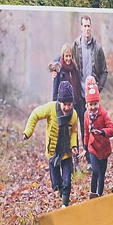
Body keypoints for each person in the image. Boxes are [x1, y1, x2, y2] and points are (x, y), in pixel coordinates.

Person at [23, 78, 81, 206]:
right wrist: (28, 132)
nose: (66, 107)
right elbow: (35, 115)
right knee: (56, 184)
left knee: (67, 181)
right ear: (59, 102)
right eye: (64, 104)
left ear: (72, 103)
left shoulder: (74, 115)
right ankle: (61, 192)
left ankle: (65, 205)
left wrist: (74, 146)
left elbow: (74, 132)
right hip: (53, 152)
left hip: (66, 153)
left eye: (69, 104)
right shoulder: (51, 108)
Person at [72, 14, 108, 140]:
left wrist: (98, 88)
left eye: (88, 26)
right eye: (84, 26)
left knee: (93, 124)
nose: (87, 28)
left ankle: (90, 154)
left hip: (92, 95)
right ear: (81, 27)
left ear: (91, 27)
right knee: (80, 123)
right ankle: (79, 152)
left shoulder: (98, 48)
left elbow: (104, 71)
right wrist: (55, 69)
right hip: (79, 92)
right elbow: (65, 61)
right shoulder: (75, 46)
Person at [83, 75, 113, 198]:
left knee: (102, 174)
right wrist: (85, 147)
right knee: (95, 171)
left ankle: (100, 195)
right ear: (87, 105)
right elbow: (86, 131)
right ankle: (93, 194)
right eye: (90, 104)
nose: (93, 107)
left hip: (104, 148)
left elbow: (112, 130)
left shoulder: (103, 114)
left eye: (95, 104)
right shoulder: (86, 115)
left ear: (98, 102)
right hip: (93, 148)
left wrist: (102, 132)